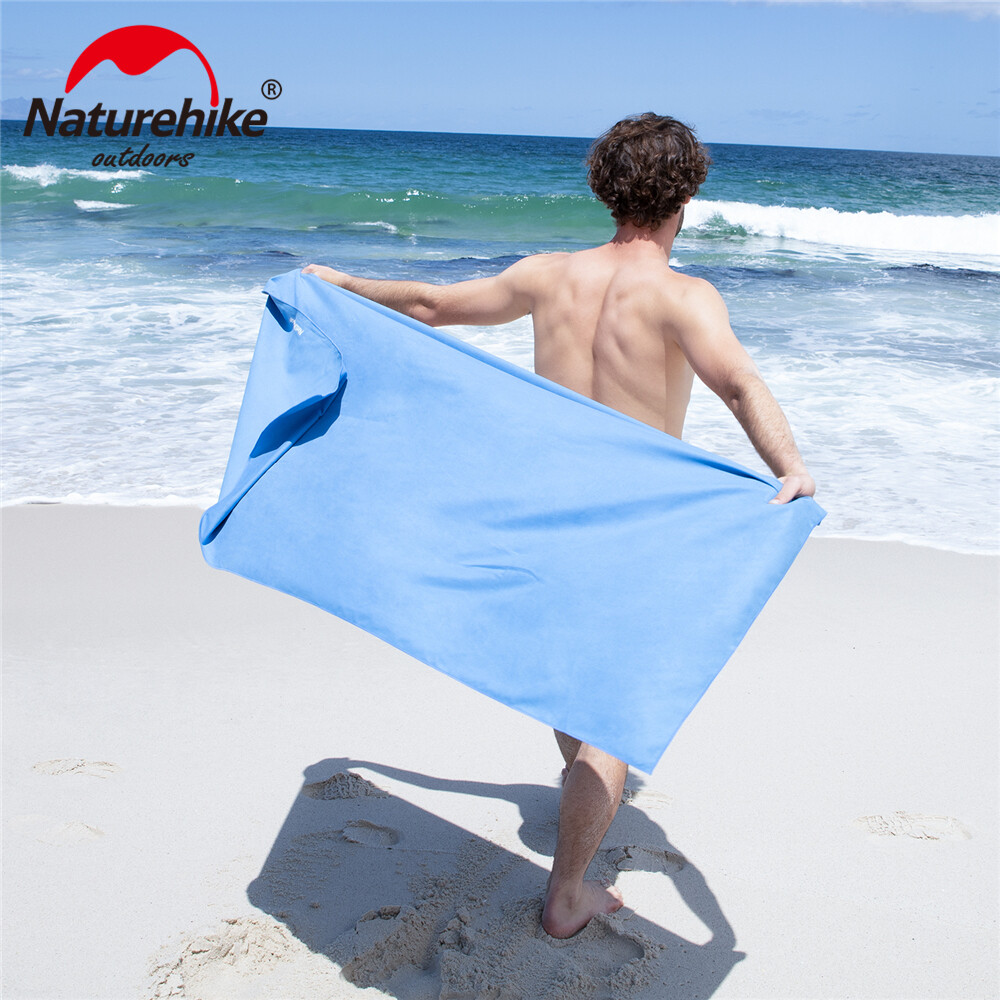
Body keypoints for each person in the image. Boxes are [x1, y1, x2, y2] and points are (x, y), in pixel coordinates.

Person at [302, 112, 816, 939]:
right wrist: (789, 466)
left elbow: (431, 304)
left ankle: (580, 786)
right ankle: (568, 891)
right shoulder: (685, 297)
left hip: (544, 517)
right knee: (615, 715)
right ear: (686, 197)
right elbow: (737, 383)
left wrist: (342, 284)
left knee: (569, 687)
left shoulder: (547, 276)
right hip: (631, 528)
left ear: (605, 192)